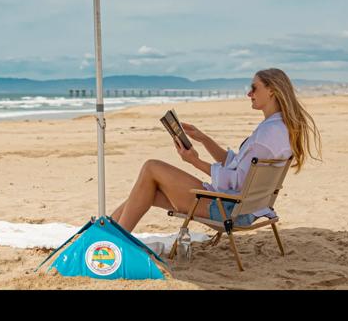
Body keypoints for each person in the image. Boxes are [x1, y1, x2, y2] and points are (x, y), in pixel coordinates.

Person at [110, 68, 322, 233]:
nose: (249, 93)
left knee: (151, 167)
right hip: (249, 207)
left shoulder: (268, 134)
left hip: (228, 210)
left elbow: (237, 181)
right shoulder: (279, 128)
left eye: (254, 88)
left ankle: (112, 241)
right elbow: (237, 164)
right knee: (147, 192)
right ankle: (105, 235)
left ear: (272, 90)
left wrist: (194, 161)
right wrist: (204, 139)